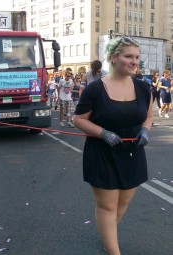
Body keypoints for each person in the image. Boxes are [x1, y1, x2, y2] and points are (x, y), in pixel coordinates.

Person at [74, 35, 152, 255]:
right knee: (107, 206)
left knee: (123, 201)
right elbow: (78, 119)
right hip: (102, 153)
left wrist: (146, 131)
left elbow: (147, 116)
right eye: (129, 56)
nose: (135, 61)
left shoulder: (144, 88)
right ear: (114, 58)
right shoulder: (95, 89)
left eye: (137, 57)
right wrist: (103, 133)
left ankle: (108, 234)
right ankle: (113, 250)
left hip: (132, 153)